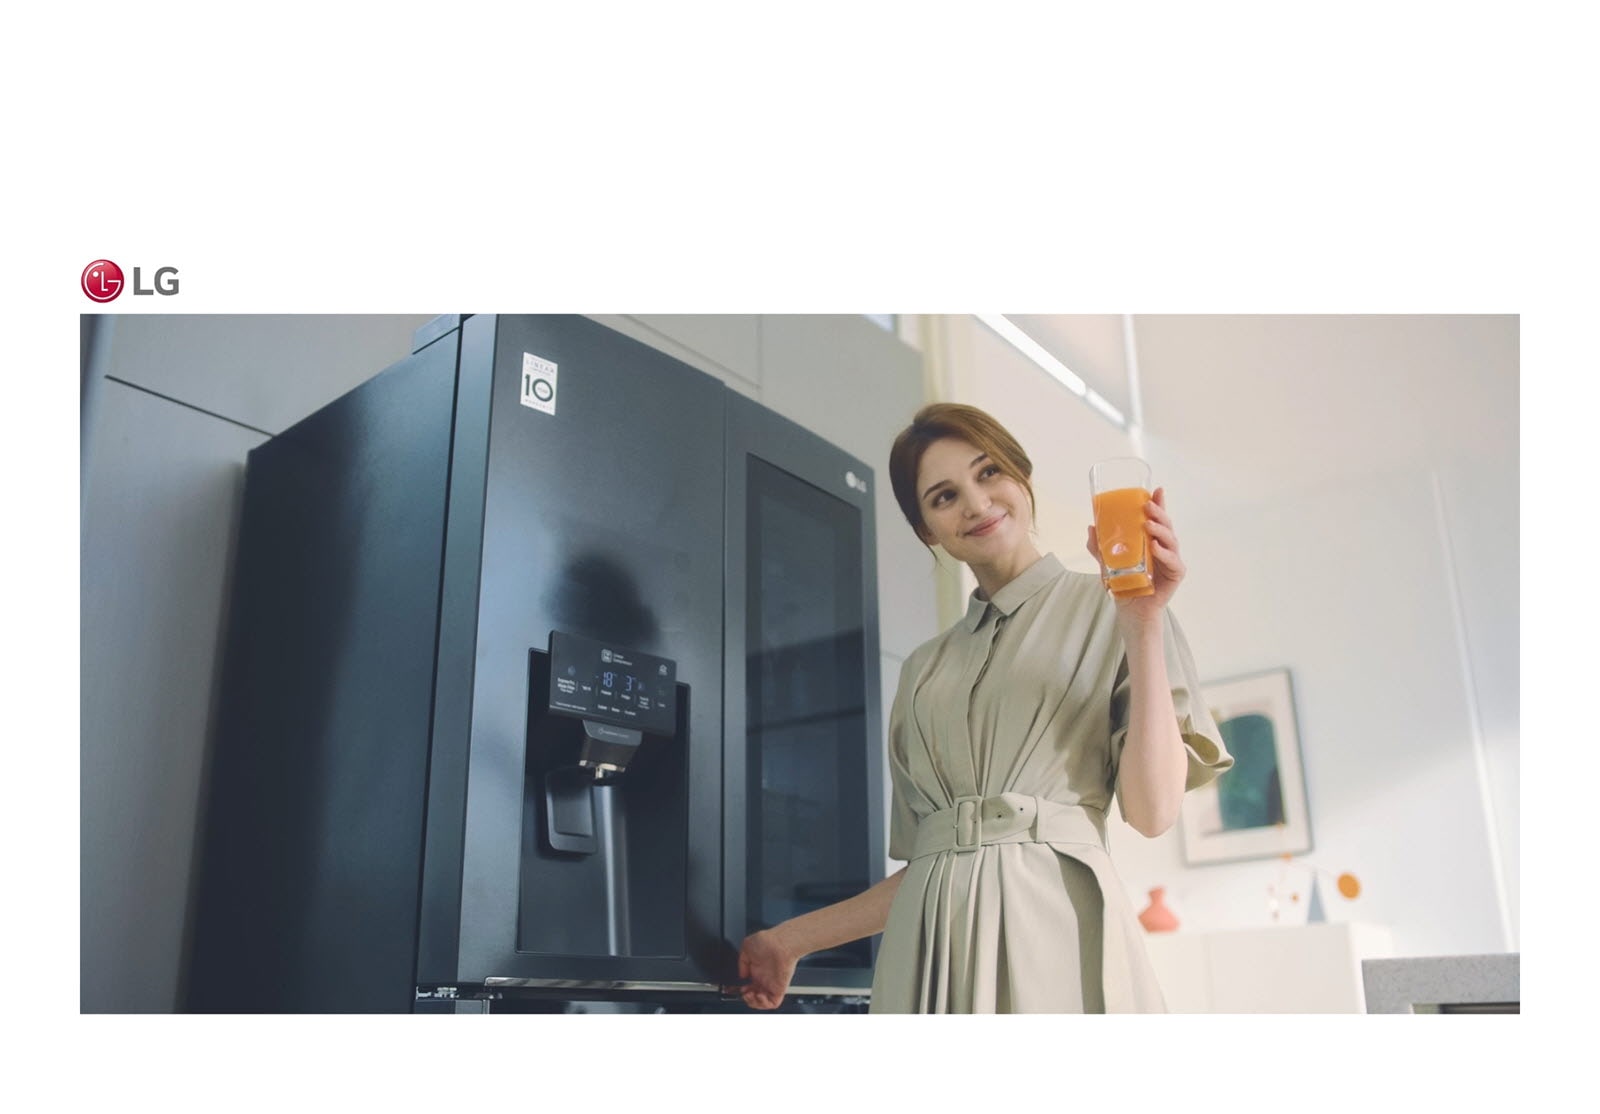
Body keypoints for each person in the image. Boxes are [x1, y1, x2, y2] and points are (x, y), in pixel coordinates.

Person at [733, 402, 1233, 1013]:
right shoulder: (922, 671)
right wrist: (790, 941)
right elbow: (932, 860)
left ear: (1022, 478)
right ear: (926, 530)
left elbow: (1154, 811)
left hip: (1056, 939)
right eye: (944, 497)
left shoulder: (1119, 610)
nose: (975, 503)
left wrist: (1143, 621)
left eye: (989, 472)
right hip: (929, 960)